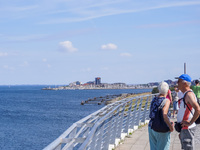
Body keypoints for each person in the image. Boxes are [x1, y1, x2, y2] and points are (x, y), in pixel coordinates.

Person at [177, 74, 200, 150]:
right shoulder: (185, 94)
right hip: (184, 129)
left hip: (187, 128)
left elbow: (198, 109)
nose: (177, 83)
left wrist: (190, 122)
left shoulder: (189, 95)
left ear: (185, 83)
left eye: (179, 81)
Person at [148, 81, 174, 150]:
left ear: (159, 90)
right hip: (162, 129)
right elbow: (164, 114)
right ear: (168, 91)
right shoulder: (166, 101)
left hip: (152, 126)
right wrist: (170, 126)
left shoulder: (154, 99)